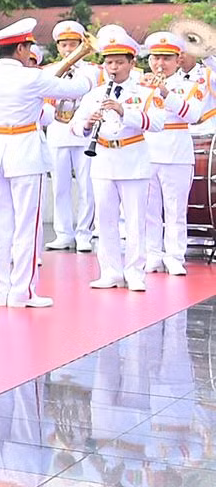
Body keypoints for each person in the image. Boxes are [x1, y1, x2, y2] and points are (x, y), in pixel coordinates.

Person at [0, 19, 87, 309]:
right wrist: (84, 72)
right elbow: (77, 89)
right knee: (27, 227)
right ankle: (22, 292)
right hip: (24, 153)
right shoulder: (32, 78)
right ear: (22, 48)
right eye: (29, 47)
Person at [77, 26, 151, 293]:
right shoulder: (95, 94)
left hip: (133, 159)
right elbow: (75, 126)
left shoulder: (143, 91)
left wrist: (124, 111)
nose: (113, 67)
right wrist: (87, 124)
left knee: (134, 220)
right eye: (109, 62)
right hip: (103, 159)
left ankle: (135, 272)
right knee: (104, 220)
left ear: (132, 62)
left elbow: (157, 122)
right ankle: (110, 271)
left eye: (119, 62)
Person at [142, 31, 195, 277]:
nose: (159, 63)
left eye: (166, 58)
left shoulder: (188, 84)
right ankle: (152, 254)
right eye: (155, 58)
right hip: (146, 151)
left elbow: (192, 115)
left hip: (176, 153)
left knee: (175, 209)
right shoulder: (141, 84)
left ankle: (174, 256)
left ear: (177, 60)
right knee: (148, 209)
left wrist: (165, 91)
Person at [44, 20, 99, 253]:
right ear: (58, 47)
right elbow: (45, 101)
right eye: (64, 45)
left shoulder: (92, 70)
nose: (68, 49)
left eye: (73, 44)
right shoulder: (49, 71)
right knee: (60, 186)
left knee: (87, 185)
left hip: (83, 130)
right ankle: (63, 233)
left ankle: (84, 233)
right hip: (58, 128)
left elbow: (91, 93)